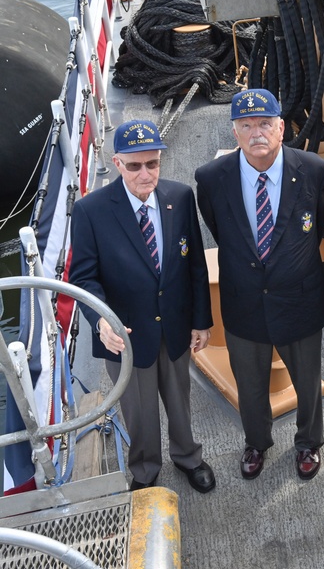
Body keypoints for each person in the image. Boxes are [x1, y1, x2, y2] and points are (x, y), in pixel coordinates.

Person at [70, 119, 215, 493]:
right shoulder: (90, 211)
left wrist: (201, 321)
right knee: (139, 412)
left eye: (152, 164)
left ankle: (189, 457)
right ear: (117, 164)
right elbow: (83, 278)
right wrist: (102, 321)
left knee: (180, 401)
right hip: (126, 335)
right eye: (134, 166)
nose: (145, 173)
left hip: (176, 325)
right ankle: (146, 471)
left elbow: (195, 265)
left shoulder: (180, 197)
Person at [195, 88, 324, 481]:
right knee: (250, 387)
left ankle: (308, 444)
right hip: (244, 302)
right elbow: (221, 229)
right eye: (246, 125)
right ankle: (256, 443)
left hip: (300, 300)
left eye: (265, 124)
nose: (257, 133)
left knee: (307, 383)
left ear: (281, 128)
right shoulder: (211, 178)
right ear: (235, 132)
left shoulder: (314, 170)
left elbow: (315, 226)